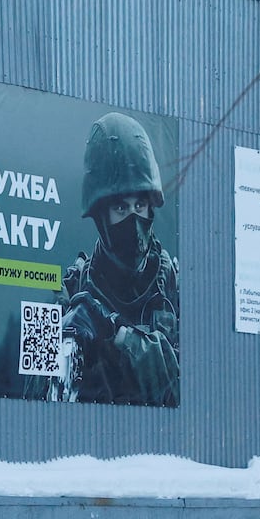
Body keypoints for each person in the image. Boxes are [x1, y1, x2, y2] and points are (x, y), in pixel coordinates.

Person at [60, 112, 180, 406]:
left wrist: (116, 335)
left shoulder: (175, 288)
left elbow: (186, 384)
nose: (133, 219)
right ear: (101, 215)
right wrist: (63, 338)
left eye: (140, 205)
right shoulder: (73, 289)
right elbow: (37, 391)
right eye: (121, 208)